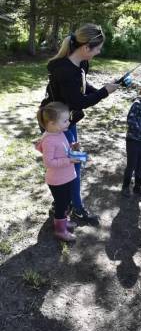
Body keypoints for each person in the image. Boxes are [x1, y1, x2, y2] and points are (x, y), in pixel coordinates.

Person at [40, 23, 119, 225]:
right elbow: (77, 101)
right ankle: (75, 208)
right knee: (74, 162)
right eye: (98, 48)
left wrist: (101, 89)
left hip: (67, 121)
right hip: (57, 125)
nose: (99, 52)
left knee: (75, 160)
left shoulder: (80, 65)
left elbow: (82, 87)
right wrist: (104, 93)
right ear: (86, 48)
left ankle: (63, 203)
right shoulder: (66, 70)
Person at [36, 102, 81, 242]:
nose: (69, 122)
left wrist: (72, 147)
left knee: (66, 201)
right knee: (61, 204)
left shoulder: (59, 132)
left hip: (66, 176)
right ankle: (60, 230)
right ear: (52, 123)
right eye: (65, 120)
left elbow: (62, 149)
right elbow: (49, 162)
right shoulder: (49, 140)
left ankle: (62, 221)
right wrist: (69, 161)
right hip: (57, 180)